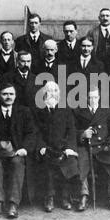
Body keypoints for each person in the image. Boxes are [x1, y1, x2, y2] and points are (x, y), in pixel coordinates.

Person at [0, 83, 36, 219]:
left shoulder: (24, 112)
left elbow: (32, 133)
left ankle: (12, 204)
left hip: (16, 151)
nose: (8, 97)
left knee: (17, 163)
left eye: (11, 94)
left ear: (15, 96)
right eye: (5, 94)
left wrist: (24, 148)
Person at [73, 87, 110, 213]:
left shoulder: (107, 111)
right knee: (80, 162)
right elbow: (72, 130)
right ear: (86, 98)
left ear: (99, 98)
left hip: (103, 146)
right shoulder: (79, 111)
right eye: (90, 97)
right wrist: (83, 134)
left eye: (95, 97)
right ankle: (84, 196)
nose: (93, 100)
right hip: (86, 146)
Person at [34, 81, 79, 212]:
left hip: (63, 147)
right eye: (49, 91)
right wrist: (41, 146)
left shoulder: (66, 110)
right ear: (44, 94)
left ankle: (65, 197)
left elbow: (71, 131)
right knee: (48, 164)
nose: (52, 94)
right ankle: (49, 197)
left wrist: (69, 148)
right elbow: (36, 132)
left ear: (59, 94)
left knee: (68, 161)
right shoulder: (39, 111)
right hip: (47, 148)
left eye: (55, 91)